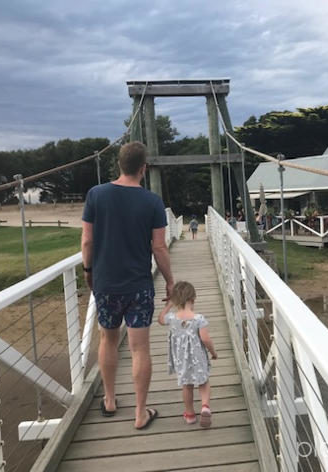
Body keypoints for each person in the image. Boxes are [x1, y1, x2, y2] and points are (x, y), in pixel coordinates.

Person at [81, 141, 174, 430]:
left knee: (108, 339)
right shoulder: (152, 202)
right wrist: (170, 281)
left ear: (119, 165)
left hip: (106, 284)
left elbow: (87, 240)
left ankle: (109, 400)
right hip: (139, 287)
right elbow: (159, 248)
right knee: (139, 348)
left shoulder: (96, 195)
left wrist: (88, 270)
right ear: (143, 169)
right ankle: (140, 413)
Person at [158, 281, 218, 427]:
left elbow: (160, 319)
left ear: (176, 300)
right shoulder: (199, 319)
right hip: (198, 358)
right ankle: (205, 406)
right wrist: (213, 352)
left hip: (181, 360)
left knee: (187, 385)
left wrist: (169, 305)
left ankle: (190, 414)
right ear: (193, 298)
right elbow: (205, 339)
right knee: (203, 382)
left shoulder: (172, 318)